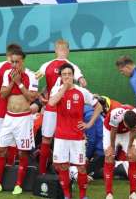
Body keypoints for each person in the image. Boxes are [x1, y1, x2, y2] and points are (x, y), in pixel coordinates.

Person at [0, 49, 39, 195]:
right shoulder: (7, 74)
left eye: (16, 62)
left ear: (22, 61)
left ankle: (18, 185)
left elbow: (31, 98)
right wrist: (13, 81)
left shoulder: (32, 75)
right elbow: (3, 94)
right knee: (1, 149)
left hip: (24, 119)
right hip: (9, 118)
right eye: (12, 61)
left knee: (23, 153)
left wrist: (19, 83)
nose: (13, 64)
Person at [48, 63, 102, 199]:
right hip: (61, 136)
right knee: (63, 167)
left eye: (69, 74)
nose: (67, 77)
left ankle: (83, 196)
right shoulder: (57, 90)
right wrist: (64, 88)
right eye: (64, 74)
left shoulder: (82, 92)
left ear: (73, 76)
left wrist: (89, 124)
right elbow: (51, 103)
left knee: (81, 168)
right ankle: (67, 196)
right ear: (60, 76)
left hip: (77, 137)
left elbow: (99, 107)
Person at [35, 39, 87, 174]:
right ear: (68, 50)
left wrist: (39, 96)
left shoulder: (46, 65)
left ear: (55, 50)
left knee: (47, 138)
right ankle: (71, 174)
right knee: (68, 139)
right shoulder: (72, 66)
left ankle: (42, 173)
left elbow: (34, 79)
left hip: (52, 106)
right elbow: (83, 82)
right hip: (65, 109)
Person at [103, 105, 136, 199]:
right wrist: (112, 147)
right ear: (123, 120)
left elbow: (134, 131)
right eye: (127, 125)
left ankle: (133, 193)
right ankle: (109, 194)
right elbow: (113, 131)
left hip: (126, 134)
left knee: (133, 155)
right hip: (110, 130)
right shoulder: (116, 115)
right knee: (109, 156)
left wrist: (129, 147)